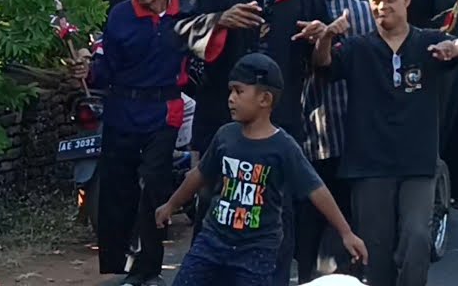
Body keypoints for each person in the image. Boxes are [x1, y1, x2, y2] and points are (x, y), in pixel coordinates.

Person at [176, 0, 330, 284]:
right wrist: (219, 21)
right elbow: (179, 32)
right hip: (221, 118)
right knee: (214, 204)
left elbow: (324, 60)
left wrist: (319, 36)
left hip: (280, 122)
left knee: (278, 211)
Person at [311, 0, 458, 286]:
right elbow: (323, 63)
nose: (382, 6)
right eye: (375, 0)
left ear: (406, 1)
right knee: (376, 250)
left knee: (416, 237)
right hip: (369, 165)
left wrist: (454, 48)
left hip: (417, 164)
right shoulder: (358, 47)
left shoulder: (429, 42)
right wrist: (328, 36)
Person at [156, 53, 367, 286]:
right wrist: (171, 205)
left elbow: (315, 189)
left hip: (257, 251)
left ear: (265, 99)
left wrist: (346, 232)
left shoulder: (283, 147)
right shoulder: (225, 135)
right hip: (212, 241)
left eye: (239, 91)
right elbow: (200, 174)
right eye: (230, 91)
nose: (231, 98)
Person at [75, 0, 188, 286]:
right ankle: (119, 265)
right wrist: (87, 70)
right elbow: (106, 68)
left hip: (164, 112)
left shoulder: (187, 17)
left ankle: (149, 267)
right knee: (118, 188)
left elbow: (211, 51)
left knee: (154, 187)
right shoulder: (120, 16)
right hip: (123, 109)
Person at [298, 0, 377, 278]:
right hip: (360, 131)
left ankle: (309, 277)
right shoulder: (371, 5)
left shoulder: (312, 6)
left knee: (312, 217)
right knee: (349, 216)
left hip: (319, 129)